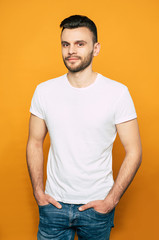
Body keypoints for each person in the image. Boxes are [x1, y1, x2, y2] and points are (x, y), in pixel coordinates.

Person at [26, 15, 142, 240]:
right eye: (66, 44)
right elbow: (34, 141)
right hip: (53, 205)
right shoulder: (44, 91)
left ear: (96, 48)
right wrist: (38, 192)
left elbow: (134, 151)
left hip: (97, 207)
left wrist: (111, 200)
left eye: (80, 44)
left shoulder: (117, 93)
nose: (71, 50)